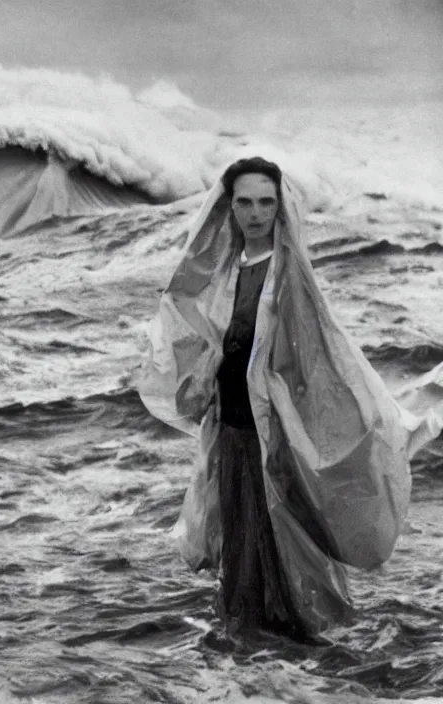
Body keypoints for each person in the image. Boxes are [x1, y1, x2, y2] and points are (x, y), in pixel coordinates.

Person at [139, 154, 443, 639]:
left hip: (272, 435)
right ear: (229, 207)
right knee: (242, 557)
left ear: (280, 208)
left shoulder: (286, 273)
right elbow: (203, 338)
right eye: (245, 202)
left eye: (266, 202)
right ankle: (254, 657)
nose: (255, 213)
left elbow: (318, 359)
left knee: (283, 554)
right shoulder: (222, 272)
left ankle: (296, 653)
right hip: (233, 431)